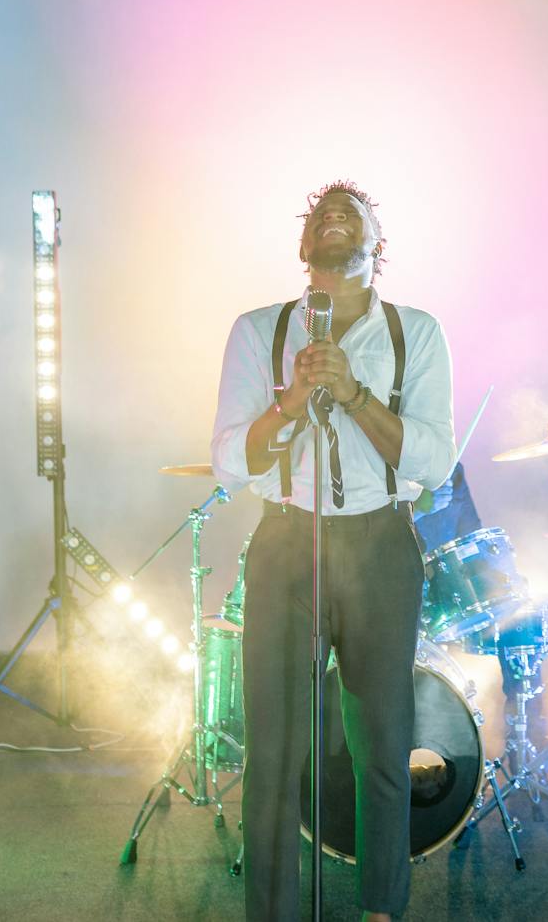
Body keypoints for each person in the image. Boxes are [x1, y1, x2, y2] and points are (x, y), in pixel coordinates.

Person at [211, 183, 454, 922]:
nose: (337, 211)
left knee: (383, 746)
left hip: (380, 541)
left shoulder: (417, 333)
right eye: (323, 210)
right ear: (303, 245)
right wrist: (290, 401)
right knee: (275, 755)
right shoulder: (260, 330)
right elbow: (228, 460)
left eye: (355, 211)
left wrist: (353, 394)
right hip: (289, 541)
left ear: (378, 246)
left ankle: (380, 909)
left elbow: (436, 460)